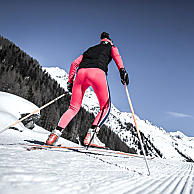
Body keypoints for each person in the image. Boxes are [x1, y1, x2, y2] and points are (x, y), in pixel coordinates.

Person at [46, 32, 129, 148]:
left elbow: (74, 63)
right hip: (97, 73)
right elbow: (117, 59)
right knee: (105, 107)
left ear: (101, 40)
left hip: (81, 74)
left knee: (73, 108)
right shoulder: (112, 47)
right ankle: (91, 136)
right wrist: (123, 72)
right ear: (110, 41)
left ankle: (53, 136)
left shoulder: (90, 49)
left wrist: (70, 82)